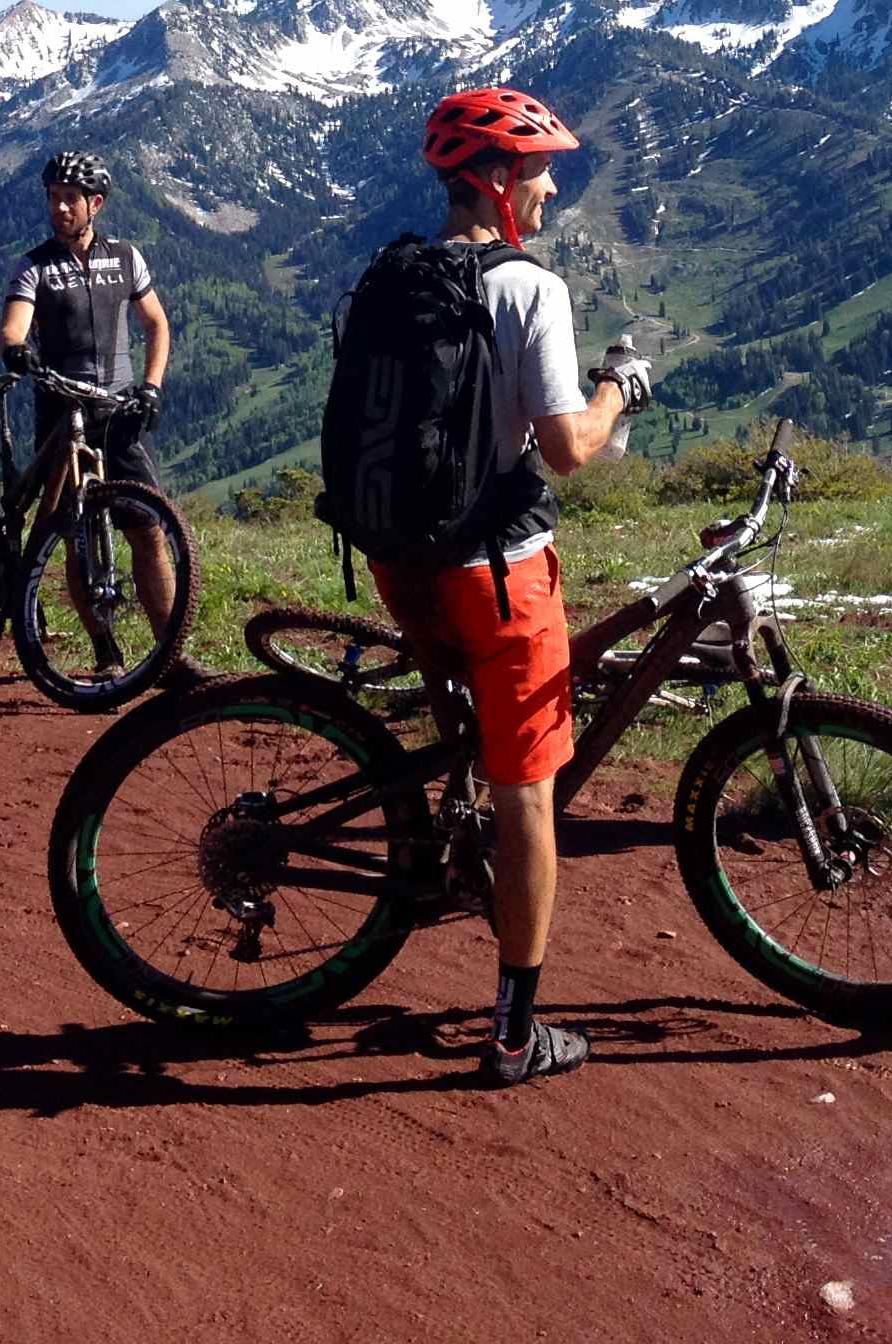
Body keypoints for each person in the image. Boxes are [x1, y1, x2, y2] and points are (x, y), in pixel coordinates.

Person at [357, 87, 647, 1086]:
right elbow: (567, 449)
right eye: (539, 169)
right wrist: (622, 388)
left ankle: (453, 822)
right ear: (497, 179)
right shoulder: (530, 288)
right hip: (498, 574)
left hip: (402, 560)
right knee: (531, 793)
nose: (555, 182)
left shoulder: (392, 272)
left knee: (469, 738)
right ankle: (516, 1036)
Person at [0, 150, 177, 661]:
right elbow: (14, 324)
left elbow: (156, 324)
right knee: (73, 531)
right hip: (61, 410)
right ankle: (104, 649)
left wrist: (151, 386)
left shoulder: (125, 257)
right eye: (53, 198)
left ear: (95, 203)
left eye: (70, 199)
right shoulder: (34, 267)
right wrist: (16, 349)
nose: (60, 209)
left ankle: (170, 651)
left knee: (148, 530)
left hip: (118, 411)